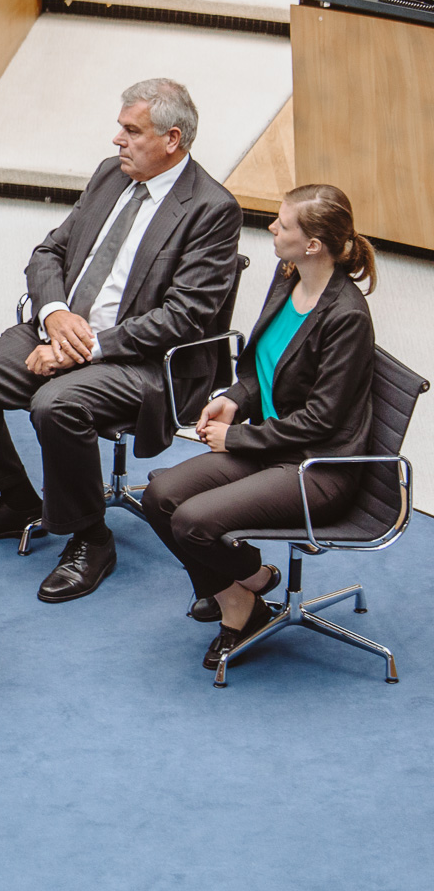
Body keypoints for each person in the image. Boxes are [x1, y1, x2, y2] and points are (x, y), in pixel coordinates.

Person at [0, 78, 242, 602]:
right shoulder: (110, 176)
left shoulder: (211, 208)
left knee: (57, 404)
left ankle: (90, 538)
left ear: (173, 138)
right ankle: (16, 501)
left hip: (143, 361)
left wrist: (84, 346)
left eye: (131, 130)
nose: (117, 139)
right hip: (59, 330)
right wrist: (53, 315)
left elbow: (184, 317)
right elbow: (49, 252)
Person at [141, 185, 377, 670]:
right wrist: (234, 398)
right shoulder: (288, 273)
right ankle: (241, 591)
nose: (271, 227)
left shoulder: (347, 316)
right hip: (272, 445)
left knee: (194, 522)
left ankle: (247, 597)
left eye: (283, 223)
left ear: (312, 244)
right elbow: (261, 367)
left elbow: (321, 420)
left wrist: (237, 437)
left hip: (317, 468)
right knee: (159, 496)